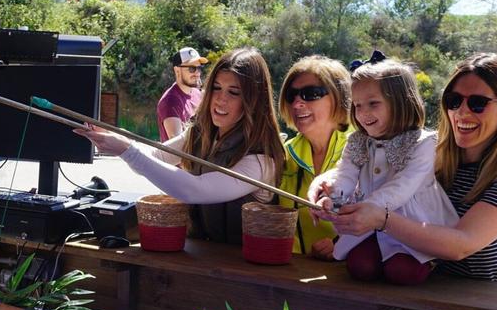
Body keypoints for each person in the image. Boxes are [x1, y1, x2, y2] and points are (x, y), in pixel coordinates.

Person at [315, 53, 497, 283]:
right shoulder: (434, 150)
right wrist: (326, 183)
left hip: (482, 299)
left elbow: (462, 244)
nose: (462, 112)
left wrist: (381, 219)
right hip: (418, 291)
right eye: (454, 101)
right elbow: (370, 168)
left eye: (477, 103)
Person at [77, 47, 286, 244]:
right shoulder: (199, 133)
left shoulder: (261, 159)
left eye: (234, 92)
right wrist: (114, 137)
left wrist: (125, 149)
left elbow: (196, 190)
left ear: (253, 100)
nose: (220, 100)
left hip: (244, 273)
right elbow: (156, 156)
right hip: (199, 258)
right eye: (216, 88)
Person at [314, 58, 458, 285]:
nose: (363, 113)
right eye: (358, 105)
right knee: (359, 267)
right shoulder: (358, 141)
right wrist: (333, 198)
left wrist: (366, 209)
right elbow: (346, 175)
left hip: (413, 223)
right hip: (369, 221)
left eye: (373, 103)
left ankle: (428, 260)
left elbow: (403, 186)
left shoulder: (423, 142)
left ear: (401, 102)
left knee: (403, 272)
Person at [276, 56, 352, 259]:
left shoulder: (365, 149)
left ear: (338, 96)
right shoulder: (282, 156)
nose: (297, 103)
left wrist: (342, 244)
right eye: (292, 96)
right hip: (293, 274)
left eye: (311, 94)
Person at [156, 47, 207, 141]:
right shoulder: (170, 102)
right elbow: (177, 146)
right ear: (177, 70)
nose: (197, 73)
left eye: (199, 68)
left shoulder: (197, 93)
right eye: (192, 68)